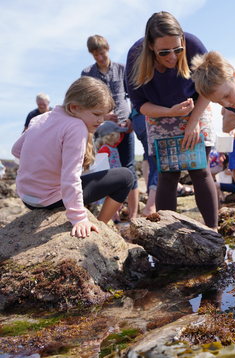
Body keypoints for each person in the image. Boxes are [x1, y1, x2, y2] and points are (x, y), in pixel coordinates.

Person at [125, 11, 217, 230]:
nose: (173, 57)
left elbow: (209, 87)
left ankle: (213, 230)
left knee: (199, 169)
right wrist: (170, 112)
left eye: (178, 49)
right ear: (150, 46)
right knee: (168, 174)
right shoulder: (135, 57)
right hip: (158, 114)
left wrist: (193, 121)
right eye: (164, 52)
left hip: (196, 108)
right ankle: (169, 233)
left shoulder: (194, 45)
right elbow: (140, 105)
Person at [11, 77, 134, 238]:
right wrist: (79, 218)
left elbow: (16, 150)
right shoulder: (76, 127)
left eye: (104, 116)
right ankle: (100, 227)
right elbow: (70, 177)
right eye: (97, 114)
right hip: (49, 199)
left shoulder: (39, 118)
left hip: (27, 197)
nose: (101, 121)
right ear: (74, 107)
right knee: (126, 177)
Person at [81, 35, 139, 220]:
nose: (99, 57)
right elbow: (85, 103)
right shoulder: (87, 73)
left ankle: (133, 215)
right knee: (104, 169)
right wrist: (104, 116)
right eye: (95, 54)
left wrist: (132, 118)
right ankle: (112, 215)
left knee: (128, 167)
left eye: (102, 52)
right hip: (100, 131)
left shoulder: (123, 69)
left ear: (108, 48)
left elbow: (134, 97)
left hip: (124, 127)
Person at [93, 120, 129, 223]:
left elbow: (121, 138)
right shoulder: (105, 148)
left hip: (115, 178)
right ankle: (113, 219)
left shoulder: (113, 147)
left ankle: (116, 218)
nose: (120, 136)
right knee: (110, 198)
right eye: (118, 134)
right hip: (108, 178)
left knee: (115, 197)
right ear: (112, 135)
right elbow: (100, 164)